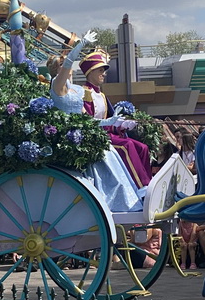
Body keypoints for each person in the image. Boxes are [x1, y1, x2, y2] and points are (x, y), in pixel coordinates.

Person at [48, 31, 143, 212]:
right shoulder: (57, 87)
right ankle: (105, 204)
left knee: (110, 152)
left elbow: (87, 121)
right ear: (57, 70)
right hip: (70, 137)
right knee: (106, 152)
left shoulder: (75, 90)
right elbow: (69, 63)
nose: (69, 68)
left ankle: (127, 202)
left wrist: (110, 122)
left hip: (83, 133)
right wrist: (80, 44)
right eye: (62, 66)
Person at [78, 48, 152, 187]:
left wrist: (122, 125)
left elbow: (110, 119)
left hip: (108, 134)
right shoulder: (85, 93)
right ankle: (142, 186)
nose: (104, 74)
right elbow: (88, 122)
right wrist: (113, 124)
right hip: (97, 137)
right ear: (90, 71)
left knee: (143, 148)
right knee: (127, 146)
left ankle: (149, 182)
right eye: (100, 70)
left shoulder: (102, 95)